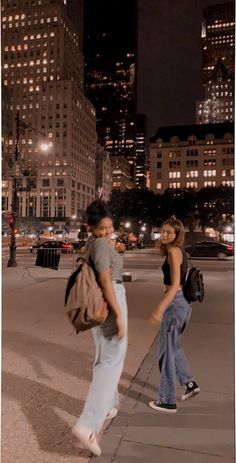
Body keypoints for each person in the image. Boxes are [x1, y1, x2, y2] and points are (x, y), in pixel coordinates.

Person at [72, 200, 128, 456]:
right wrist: (117, 314)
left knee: (104, 358)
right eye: (102, 228)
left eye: (110, 226)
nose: (107, 231)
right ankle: (88, 425)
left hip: (101, 301)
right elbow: (106, 280)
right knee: (111, 361)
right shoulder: (100, 245)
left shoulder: (96, 243)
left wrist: (114, 248)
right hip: (110, 298)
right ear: (91, 227)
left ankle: (109, 405)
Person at [149, 217, 200, 414]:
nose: (164, 235)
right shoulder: (182, 252)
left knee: (166, 354)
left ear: (177, 235)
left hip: (174, 304)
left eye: (169, 232)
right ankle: (189, 383)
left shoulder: (172, 251)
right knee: (174, 346)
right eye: (163, 231)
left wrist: (159, 309)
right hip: (183, 305)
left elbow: (176, 285)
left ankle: (167, 400)